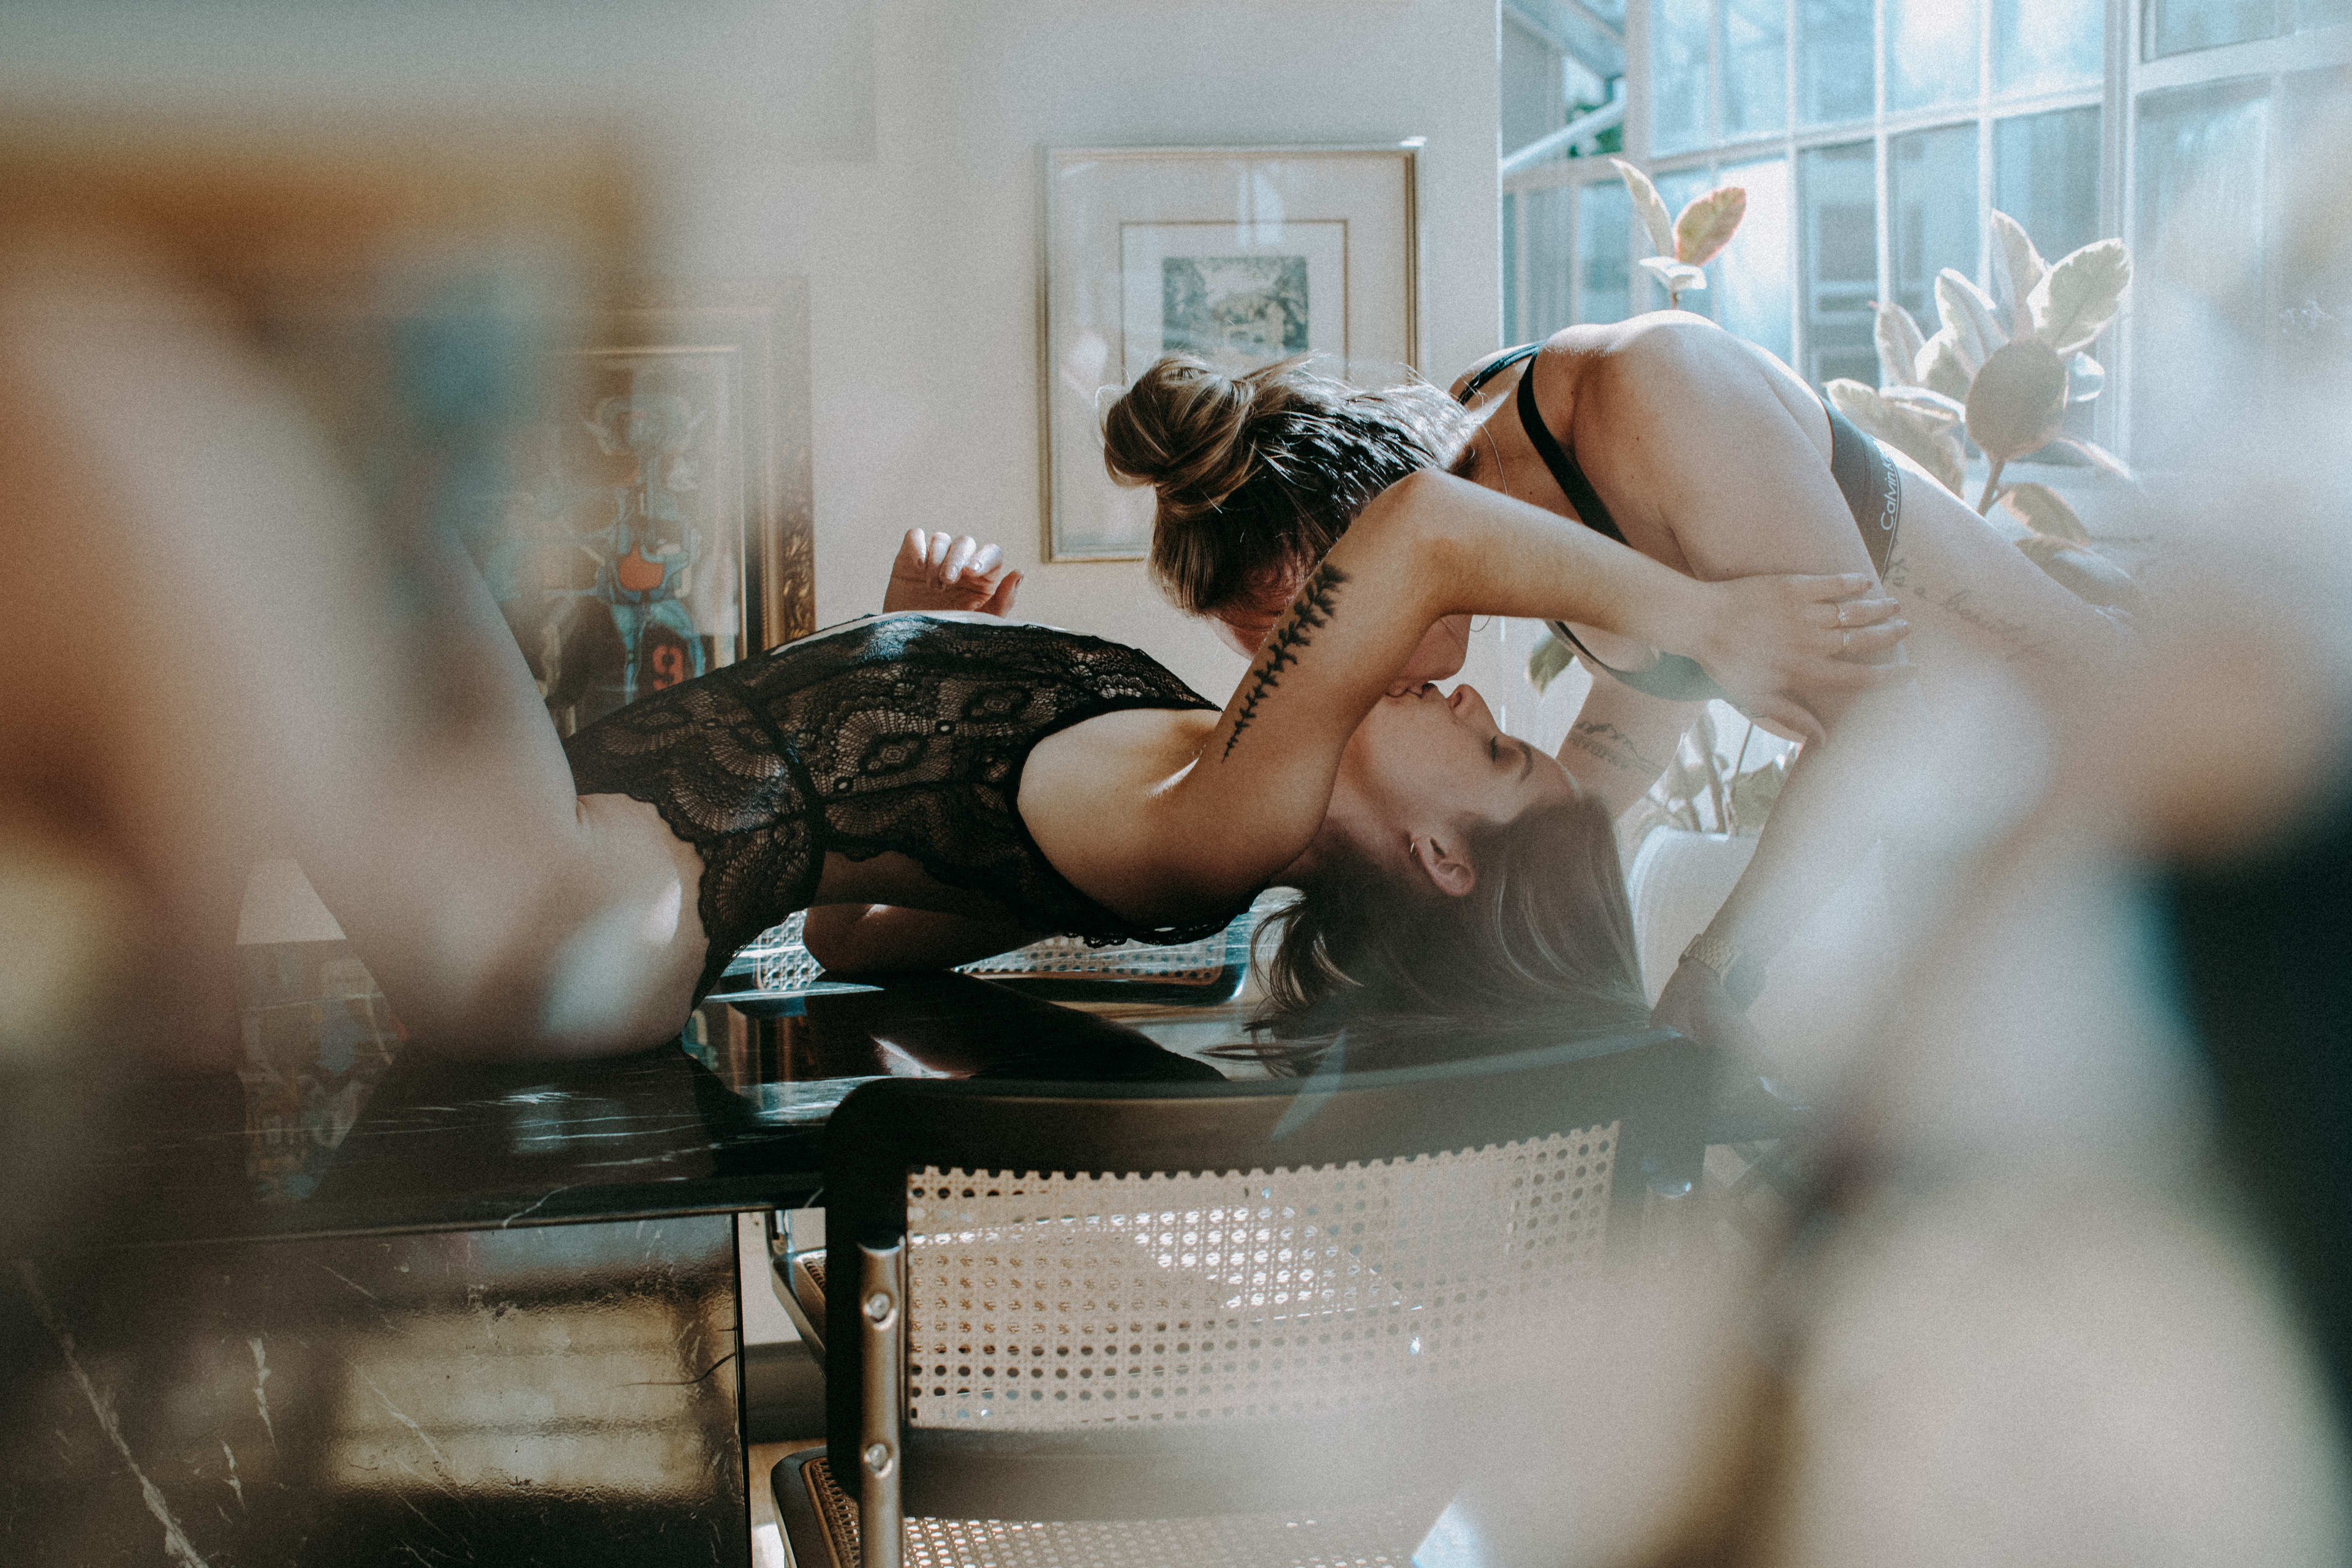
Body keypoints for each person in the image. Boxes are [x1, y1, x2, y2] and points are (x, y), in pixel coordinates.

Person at [0, 247, 1903, 1066]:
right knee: (203, 515)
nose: (1480, 696)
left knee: (231, 471)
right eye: (1506, 719)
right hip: (626, 863)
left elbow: (1418, 531)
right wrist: (932, 682)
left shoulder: (1240, 824)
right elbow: (851, 930)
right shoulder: (1189, 788)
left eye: (1492, 763)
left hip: (593, 895)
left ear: (1438, 856)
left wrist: (1710, 617)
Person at [1102, 315, 2127, 1056]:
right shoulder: (1494, 451)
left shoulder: (1656, 396)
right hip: (2000, 815)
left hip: (2110, 776)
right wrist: (1470, 910)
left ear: (1363, 532)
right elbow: (1658, 690)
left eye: (1339, 631)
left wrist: (1716, 969)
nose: (1357, 679)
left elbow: (1880, 733)